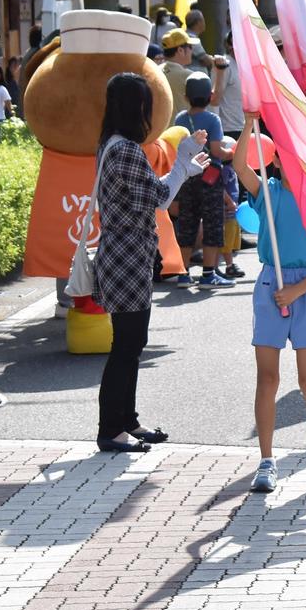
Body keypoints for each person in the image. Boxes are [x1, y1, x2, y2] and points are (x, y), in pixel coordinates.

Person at [93, 72, 208, 453]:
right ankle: (112, 429)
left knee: (130, 342)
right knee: (127, 344)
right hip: (126, 256)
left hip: (125, 254)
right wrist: (183, 163)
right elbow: (159, 197)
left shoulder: (112, 144)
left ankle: (128, 422)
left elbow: (151, 194)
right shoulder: (124, 149)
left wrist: (184, 169)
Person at [231, 120, 306, 492]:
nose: (292, 164)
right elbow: (238, 167)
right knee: (267, 378)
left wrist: (297, 292)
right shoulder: (268, 192)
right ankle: (266, 461)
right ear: (276, 161)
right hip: (271, 286)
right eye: (285, 158)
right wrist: (249, 122)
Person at [170, 74, 234, 287]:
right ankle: (208, 274)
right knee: (212, 223)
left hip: (185, 177)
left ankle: (183, 273)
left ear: (186, 96)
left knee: (187, 224)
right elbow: (216, 150)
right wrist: (229, 152)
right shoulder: (212, 120)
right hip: (209, 178)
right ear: (210, 96)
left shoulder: (179, 119)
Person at [159, 28, 196, 118]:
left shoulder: (154, 72)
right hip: (181, 131)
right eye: (190, 47)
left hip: (158, 130)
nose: (192, 51)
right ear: (180, 50)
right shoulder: (189, 76)